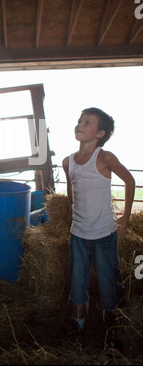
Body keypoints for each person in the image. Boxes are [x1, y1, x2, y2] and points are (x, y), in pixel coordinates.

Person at [62, 107, 135, 337]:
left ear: (100, 134)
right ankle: (78, 322)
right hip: (78, 234)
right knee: (77, 280)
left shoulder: (105, 157)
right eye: (79, 121)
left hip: (104, 233)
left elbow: (130, 181)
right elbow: (71, 189)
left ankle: (111, 321)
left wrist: (125, 215)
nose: (80, 125)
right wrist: (76, 210)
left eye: (87, 123)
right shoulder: (68, 162)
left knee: (107, 279)